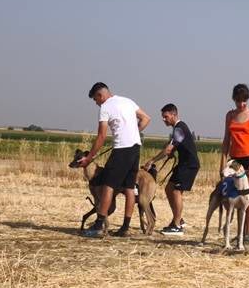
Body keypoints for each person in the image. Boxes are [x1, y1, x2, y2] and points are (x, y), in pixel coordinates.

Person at [80, 82, 151, 238]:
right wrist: (133, 132)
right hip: (135, 148)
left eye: (95, 100)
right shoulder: (127, 101)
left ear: (100, 95)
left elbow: (101, 136)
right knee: (129, 188)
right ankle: (125, 227)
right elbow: (146, 118)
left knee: (108, 185)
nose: (96, 103)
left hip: (121, 150)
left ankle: (98, 226)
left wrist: (89, 157)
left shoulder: (105, 107)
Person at [144, 104, 200, 236]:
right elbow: (175, 145)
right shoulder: (179, 128)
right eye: (163, 117)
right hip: (184, 164)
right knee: (169, 189)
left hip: (189, 165)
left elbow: (169, 148)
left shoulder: (179, 128)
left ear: (174, 115)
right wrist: (172, 152)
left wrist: (152, 160)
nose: (164, 119)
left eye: (166, 116)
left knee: (175, 191)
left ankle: (177, 226)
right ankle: (178, 219)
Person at [219, 84, 249, 246]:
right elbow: (226, 140)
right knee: (233, 196)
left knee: (248, 197)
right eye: (238, 101)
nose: (241, 104)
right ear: (234, 100)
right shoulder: (229, 115)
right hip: (234, 161)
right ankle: (235, 234)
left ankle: (247, 235)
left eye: (244, 100)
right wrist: (223, 163)